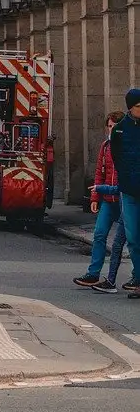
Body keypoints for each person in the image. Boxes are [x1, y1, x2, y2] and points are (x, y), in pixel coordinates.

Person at [73, 112, 128, 291]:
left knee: (130, 241)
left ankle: (135, 278)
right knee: (99, 234)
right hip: (107, 200)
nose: (111, 129)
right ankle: (93, 273)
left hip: (124, 201)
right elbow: (99, 173)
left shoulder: (127, 146)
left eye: (114, 126)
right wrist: (95, 197)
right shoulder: (105, 147)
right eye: (109, 126)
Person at [108, 87, 140, 299]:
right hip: (129, 191)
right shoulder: (119, 130)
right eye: (138, 106)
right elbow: (116, 156)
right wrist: (125, 178)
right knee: (133, 238)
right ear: (130, 108)